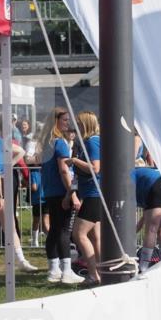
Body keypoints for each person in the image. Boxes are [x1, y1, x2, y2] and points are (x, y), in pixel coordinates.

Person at [36, 108, 84, 284]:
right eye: (64, 120)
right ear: (56, 121)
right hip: (61, 191)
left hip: (49, 191)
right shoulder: (60, 143)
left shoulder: (47, 143)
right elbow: (64, 170)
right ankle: (66, 271)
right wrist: (71, 195)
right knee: (64, 230)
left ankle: (54, 270)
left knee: (55, 231)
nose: (68, 123)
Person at [0, 115, 36, 273]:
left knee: (9, 224)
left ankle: (20, 259)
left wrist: (9, 165)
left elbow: (21, 151)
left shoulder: (0, 142)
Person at [69, 111, 101, 285]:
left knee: (79, 234)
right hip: (92, 193)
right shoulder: (89, 142)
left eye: (79, 124)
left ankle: (94, 274)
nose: (76, 128)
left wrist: (74, 161)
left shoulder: (92, 141)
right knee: (96, 236)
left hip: (94, 194)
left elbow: (95, 168)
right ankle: (101, 272)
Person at [133, 165, 161, 273]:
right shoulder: (141, 172)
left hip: (157, 187)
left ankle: (143, 267)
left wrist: (132, 233)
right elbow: (144, 217)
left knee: (151, 230)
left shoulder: (126, 177)